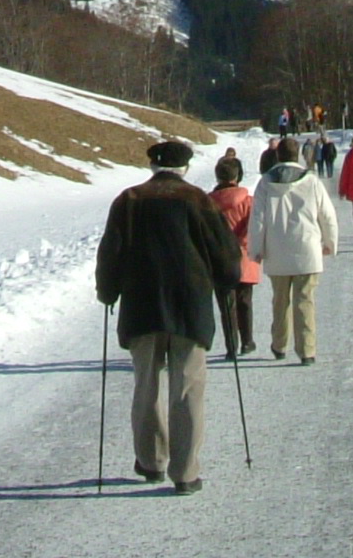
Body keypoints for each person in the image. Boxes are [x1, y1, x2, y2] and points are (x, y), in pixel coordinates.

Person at [95, 140, 244, 494]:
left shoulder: (129, 200)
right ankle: (186, 472)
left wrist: (108, 291)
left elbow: (110, 252)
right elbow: (225, 254)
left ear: (152, 167)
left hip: (141, 305)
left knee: (146, 384)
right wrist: (227, 281)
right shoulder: (198, 200)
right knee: (188, 387)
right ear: (185, 168)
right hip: (190, 306)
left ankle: (151, 461)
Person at [247, 137, 338, 365]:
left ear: (278, 155)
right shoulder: (311, 181)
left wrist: (255, 249)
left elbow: (257, 219)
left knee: (280, 300)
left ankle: (279, 345)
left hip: (276, 250)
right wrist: (330, 242)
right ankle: (307, 350)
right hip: (307, 249)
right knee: (304, 300)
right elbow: (327, 215)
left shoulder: (266, 182)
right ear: (298, 155)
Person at [207, 154, 261, 359]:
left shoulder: (207, 203)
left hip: (219, 259)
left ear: (217, 177)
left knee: (226, 304)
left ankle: (231, 346)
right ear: (237, 176)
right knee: (244, 300)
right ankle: (247, 341)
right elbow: (254, 228)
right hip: (244, 256)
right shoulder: (248, 201)